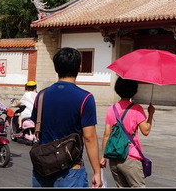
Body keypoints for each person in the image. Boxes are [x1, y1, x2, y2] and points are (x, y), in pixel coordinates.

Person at [30, 47, 102, 188]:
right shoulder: (85, 98)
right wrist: (97, 172)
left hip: (43, 167)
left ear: (56, 67)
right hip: (70, 169)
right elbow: (89, 138)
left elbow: (36, 126)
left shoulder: (41, 95)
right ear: (79, 67)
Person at [100, 77, 155, 187]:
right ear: (134, 90)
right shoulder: (136, 109)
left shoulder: (111, 109)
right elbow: (146, 130)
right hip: (130, 157)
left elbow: (106, 134)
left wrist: (103, 157)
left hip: (114, 158)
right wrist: (151, 114)